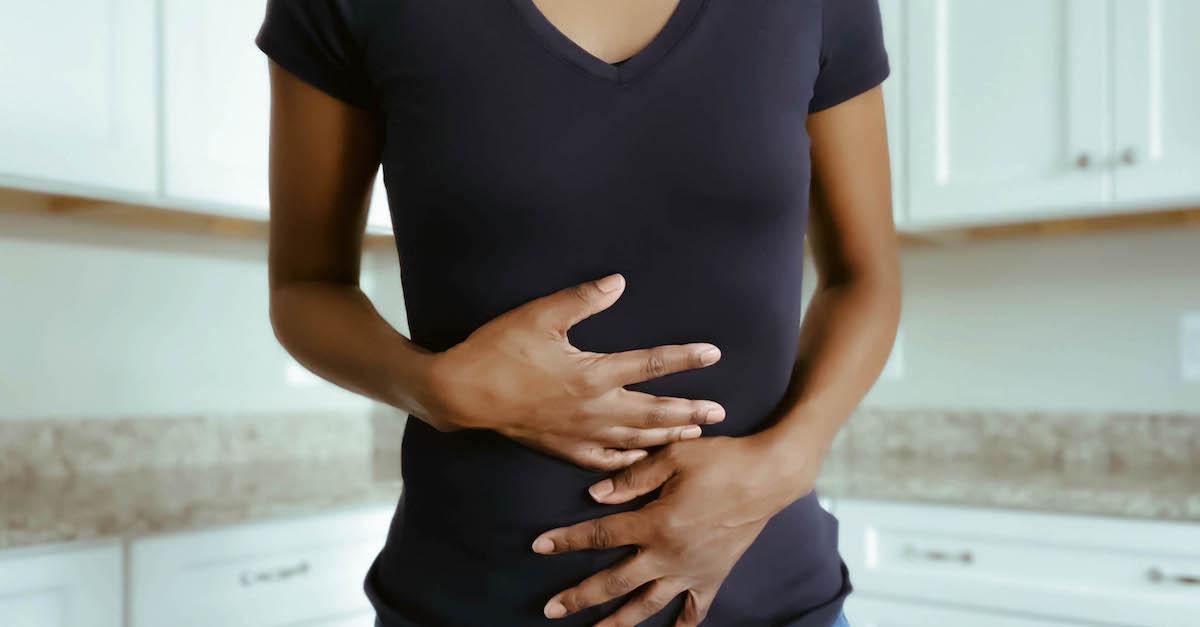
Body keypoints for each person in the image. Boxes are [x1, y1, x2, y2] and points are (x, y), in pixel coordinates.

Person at [255, 0, 899, 625]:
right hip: (465, 598)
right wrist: (437, 389)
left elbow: (864, 278)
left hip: (775, 602)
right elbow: (307, 288)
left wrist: (789, 459)